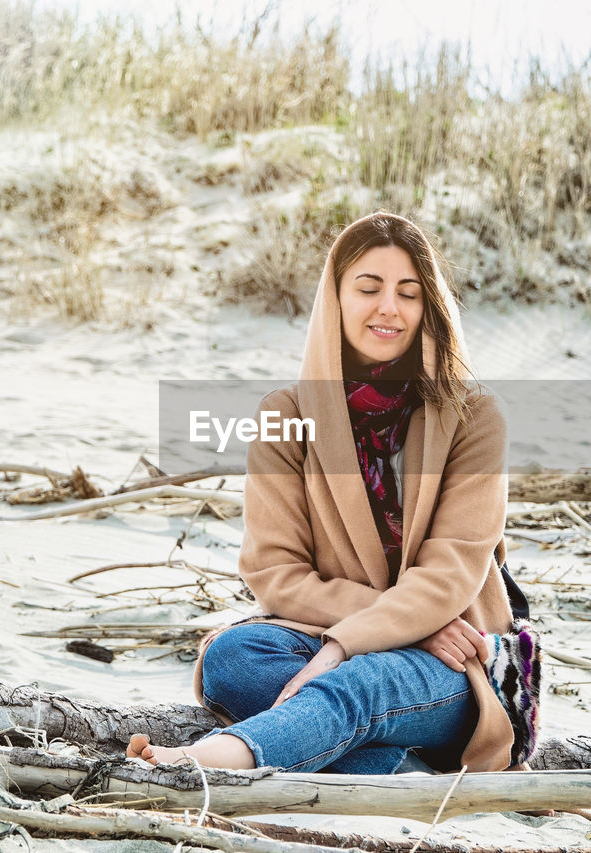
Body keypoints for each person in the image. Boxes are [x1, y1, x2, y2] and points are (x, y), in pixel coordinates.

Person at [127, 210, 539, 774]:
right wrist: (386, 629)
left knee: (363, 680)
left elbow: (450, 572)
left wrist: (346, 646)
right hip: (382, 637)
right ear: (335, 298)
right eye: (368, 288)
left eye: (409, 293)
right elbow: (276, 572)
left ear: (428, 308)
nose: (389, 308)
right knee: (233, 659)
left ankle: (201, 764)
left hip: (458, 662)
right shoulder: (286, 415)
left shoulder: (473, 417)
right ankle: (397, 774)